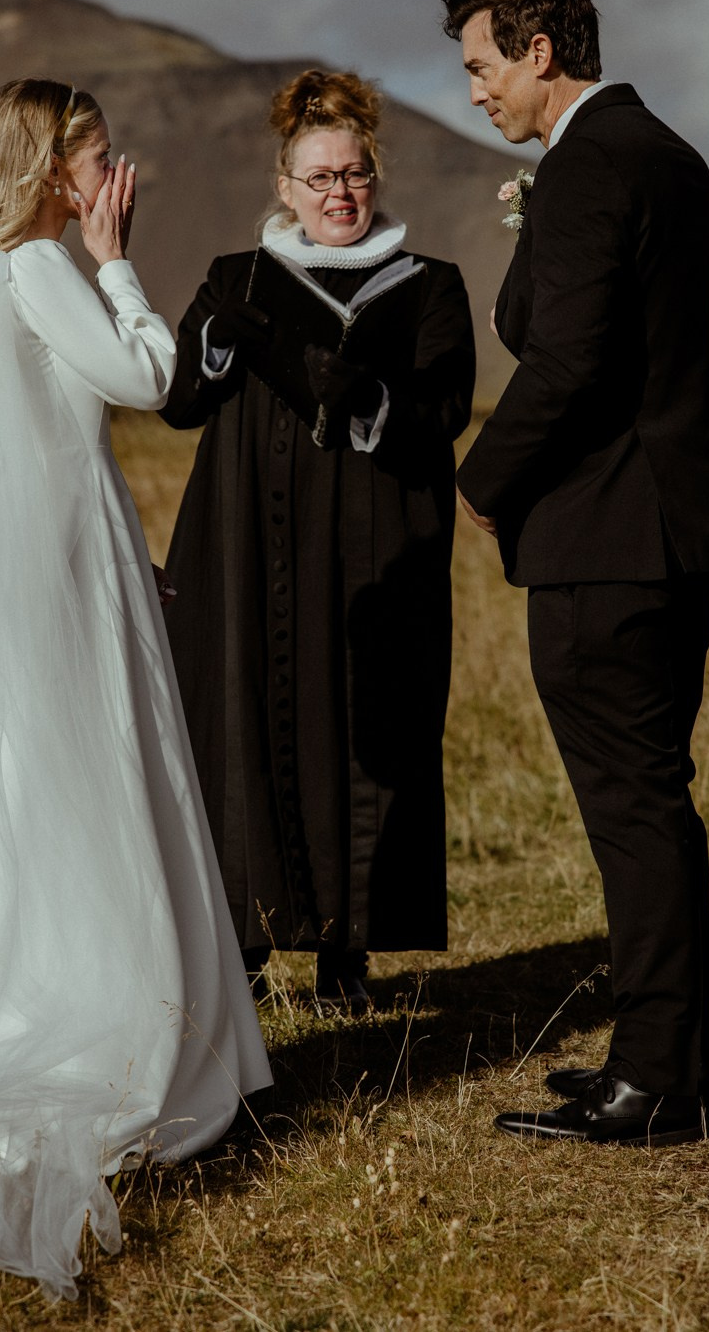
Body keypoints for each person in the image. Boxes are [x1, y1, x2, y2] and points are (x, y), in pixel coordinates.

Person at [0, 78, 272, 1299]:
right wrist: (118, 262)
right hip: (66, 570)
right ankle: (105, 1025)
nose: (109, 171)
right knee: (89, 787)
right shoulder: (38, 263)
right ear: (47, 167)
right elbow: (146, 381)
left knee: (8, 793)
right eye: (93, 155)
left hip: (18, 571)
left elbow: (14, 450)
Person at [440, 0, 709, 1145]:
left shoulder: (584, 169)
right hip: (674, 530)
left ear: (536, 52)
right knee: (655, 802)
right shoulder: (668, 155)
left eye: (479, 65)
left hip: (601, 538)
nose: (472, 92)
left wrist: (480, 481)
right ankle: (667, 1061)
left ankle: (653, 1086)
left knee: (630, 808)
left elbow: (567, 359)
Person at [158, 69, 475, 1014]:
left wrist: (364, 397)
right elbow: (180, 400)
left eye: (354, 175)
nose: (339, 193)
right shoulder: (239, 279)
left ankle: (348, 950)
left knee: (364, 730)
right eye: (319, 178)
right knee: (244, 720)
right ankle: (246, 940)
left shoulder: (429, 291)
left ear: (374, 178)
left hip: (378, 560)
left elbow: (444, 411)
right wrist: (217, 342)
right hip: (249, 551)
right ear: (285, 188)